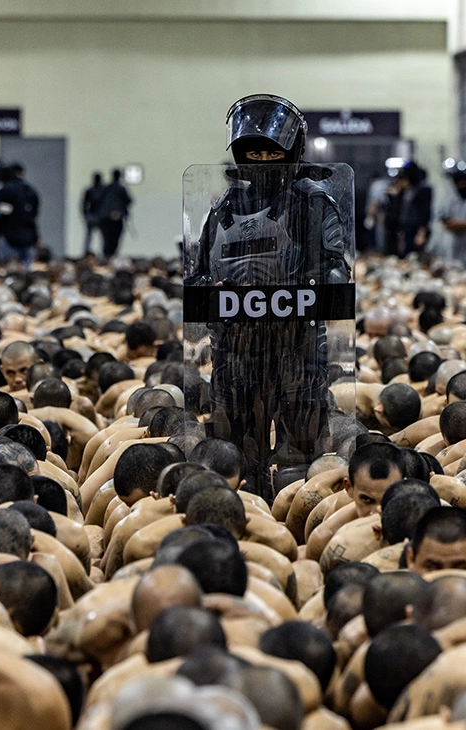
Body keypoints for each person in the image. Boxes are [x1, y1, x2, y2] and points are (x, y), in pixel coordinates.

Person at [184, 93, 352, 498]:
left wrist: (296, 293)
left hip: (296, 345)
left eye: (270, 151)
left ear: (290, 151)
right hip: (235, 348)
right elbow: (199, 274)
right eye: (252, 151)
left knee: (301, 453)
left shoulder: (312, 202)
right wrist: (211, 293)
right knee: (236, 454)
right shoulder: (224, 206)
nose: (261, 159)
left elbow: (335, 271)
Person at [0, 162, 40, 264]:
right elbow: (34, 213)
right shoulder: (30, 191)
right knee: (27, 269)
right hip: (28, 236)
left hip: (8, 236)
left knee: (8, 268)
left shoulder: (5, 191)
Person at [98, 168, 131, 260]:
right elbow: (128, 200)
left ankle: (107, 255)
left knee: (106, 238)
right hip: (117, 217)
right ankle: (111, 255)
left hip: (105, 217)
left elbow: (99, 201)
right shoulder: (121, 188)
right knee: (115, 238)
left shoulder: (106, 188)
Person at [82, 172, 104, 257]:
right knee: (101, 236)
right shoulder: (103, 190)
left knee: (89, 235)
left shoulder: (90, 190)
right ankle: (101, 253)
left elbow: (84, 204)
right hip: (98, 215)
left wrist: (85, 214)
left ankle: (86, 251)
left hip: (92, 214)